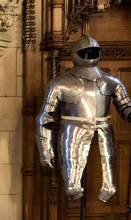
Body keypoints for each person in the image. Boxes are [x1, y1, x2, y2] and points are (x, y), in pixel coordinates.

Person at [37, 36, 131, 203]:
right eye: (85, 53)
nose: (89, 57)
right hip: (73, 128)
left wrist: (129, 113)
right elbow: (44, 117)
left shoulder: (111, 81)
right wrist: (46, 151)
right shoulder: (59, 83)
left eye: (93, 53)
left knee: (110, 186)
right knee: (72, 187)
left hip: (103, 128)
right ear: (76, 54)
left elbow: (125, 104)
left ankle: (107, 189)